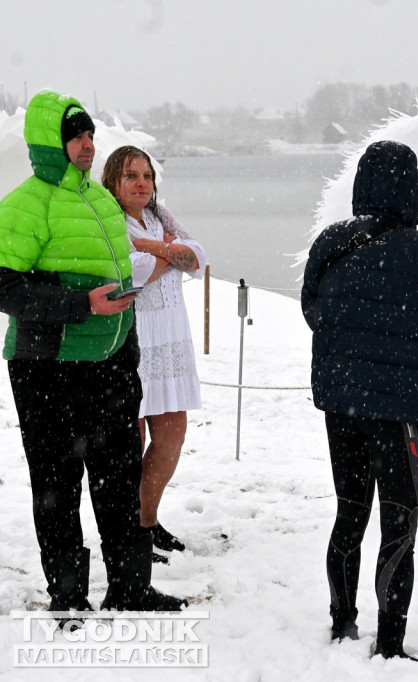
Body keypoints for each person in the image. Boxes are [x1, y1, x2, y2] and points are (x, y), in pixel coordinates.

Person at [0, 89, 186, 616]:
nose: (87, 145)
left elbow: (124, 278)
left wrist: (126, 351)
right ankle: (69, 598)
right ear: (49, 144)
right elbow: (4, 286)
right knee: (58, 485)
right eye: (76, 136)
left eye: (89, 135)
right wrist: (80, 303)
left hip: (109, 366)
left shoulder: (101, 201)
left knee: (119, 478)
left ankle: (131, 587)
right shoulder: (23, 205)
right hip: (47, 369)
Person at [301, 140, 418, 659]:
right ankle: (389, 644)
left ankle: (341, 621)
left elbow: (312, 308)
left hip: (341, 401)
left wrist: (353, 355)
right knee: (399, 522)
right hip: (400, 414)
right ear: (411, 188)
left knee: (350, 513)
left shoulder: (329, 241)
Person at [101, 146, 206, 563]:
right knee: (131, 439)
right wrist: (163, 251)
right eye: (131, 176)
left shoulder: (161, 217)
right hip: (132, 339)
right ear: (113, 181)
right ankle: (128, 535)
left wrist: (152, 245)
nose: (142, 183)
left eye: (146, 175)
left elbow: (197, 258)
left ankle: (147, 520)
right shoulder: (108, 220)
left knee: (172, 435)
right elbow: (132, 272)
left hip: (171, 340)